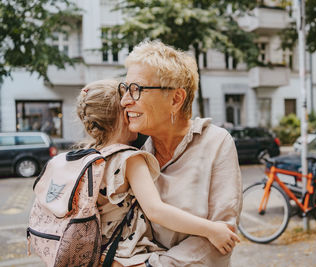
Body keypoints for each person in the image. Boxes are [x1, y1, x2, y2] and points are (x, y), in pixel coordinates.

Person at [76, 80, 240, 266]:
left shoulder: (89, 157)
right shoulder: (129, 159)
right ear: (123, 116)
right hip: (124, 255)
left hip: (99, 250)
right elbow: (156, 210)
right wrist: (212, 230)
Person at [120, 41, 242, 266]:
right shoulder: (133, 155)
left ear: (175, 99)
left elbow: (222, 238)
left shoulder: (216, 143)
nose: (125, 100)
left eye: (136, 89)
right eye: (125, 88)